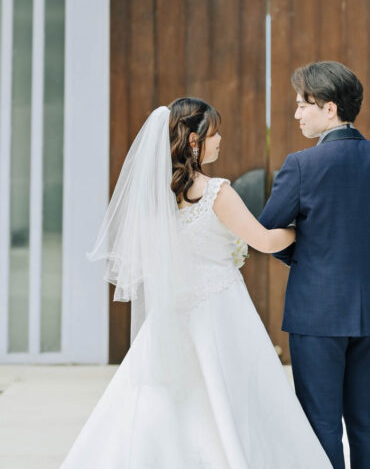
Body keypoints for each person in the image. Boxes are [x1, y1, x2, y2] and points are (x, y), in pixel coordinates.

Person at [60, 97, 331, 469]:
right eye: (214, 133)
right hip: (222, 310)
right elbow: (266, 241)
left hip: (172, 311)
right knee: (234, 396)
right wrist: (305, 229)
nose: (220, 140)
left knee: (165, 400)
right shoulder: (216, 191)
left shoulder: (156, 197)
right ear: (193, 141)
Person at [259, 61, 370, 469]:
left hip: (315, 313)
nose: (296, 114)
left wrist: (304, 257)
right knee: (369, 424)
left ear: (329, 108)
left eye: (302, 104)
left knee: (320, 424)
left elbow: (264, 231)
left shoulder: (301, 166)